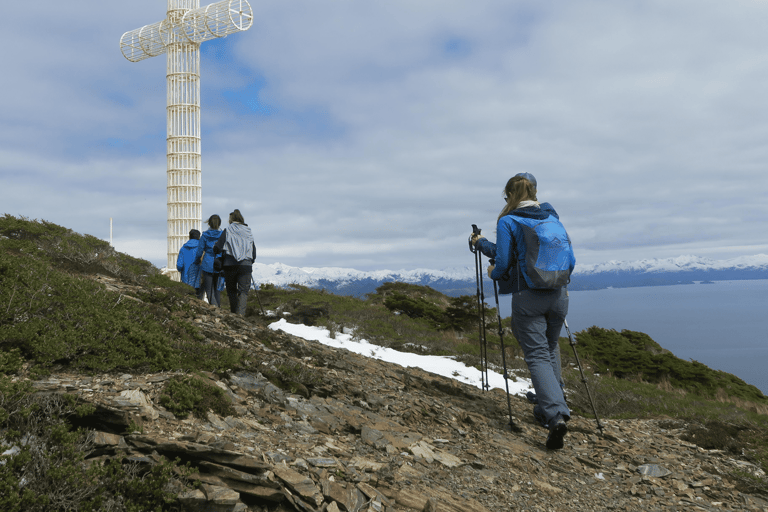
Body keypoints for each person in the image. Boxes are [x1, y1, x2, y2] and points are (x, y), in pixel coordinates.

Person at [470, 173, 574, 450]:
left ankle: (555, 416)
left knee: (537, 355)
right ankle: (550, 405)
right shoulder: (551, 217)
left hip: (529, 297)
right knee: (550, 347)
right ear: (535, 192)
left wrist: (492, 268)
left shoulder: (509, 220)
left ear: (508, 195)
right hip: (559, 294)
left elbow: (503, 263)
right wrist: (483, 244)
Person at [214, 209, 256, 315]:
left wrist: (216, 250)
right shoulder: (248, 231)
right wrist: (250, 261)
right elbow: (253, 250)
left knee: (231, 290)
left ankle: (233, 314)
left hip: (230, 264)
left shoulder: (227, 230)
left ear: (231, 220)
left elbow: (218, 247)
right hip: (245, 265)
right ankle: (240, 314)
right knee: (243, 291)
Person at [195, 214, 224, 307]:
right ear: (219, 223)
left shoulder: (205, 235)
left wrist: (197, 260)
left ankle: (215, 308)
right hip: (219, 263)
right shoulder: (223, 235)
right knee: (217, 289)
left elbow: (200, 251)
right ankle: (219, 308)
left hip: (207, 263)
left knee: (209, 289)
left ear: (209, 223)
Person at [176, 229, 202, 294]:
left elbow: (179, 266)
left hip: (185, 280)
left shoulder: (183, 248)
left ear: (189, 236)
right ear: (199, 237)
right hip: (198, 280)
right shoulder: (201, 248)